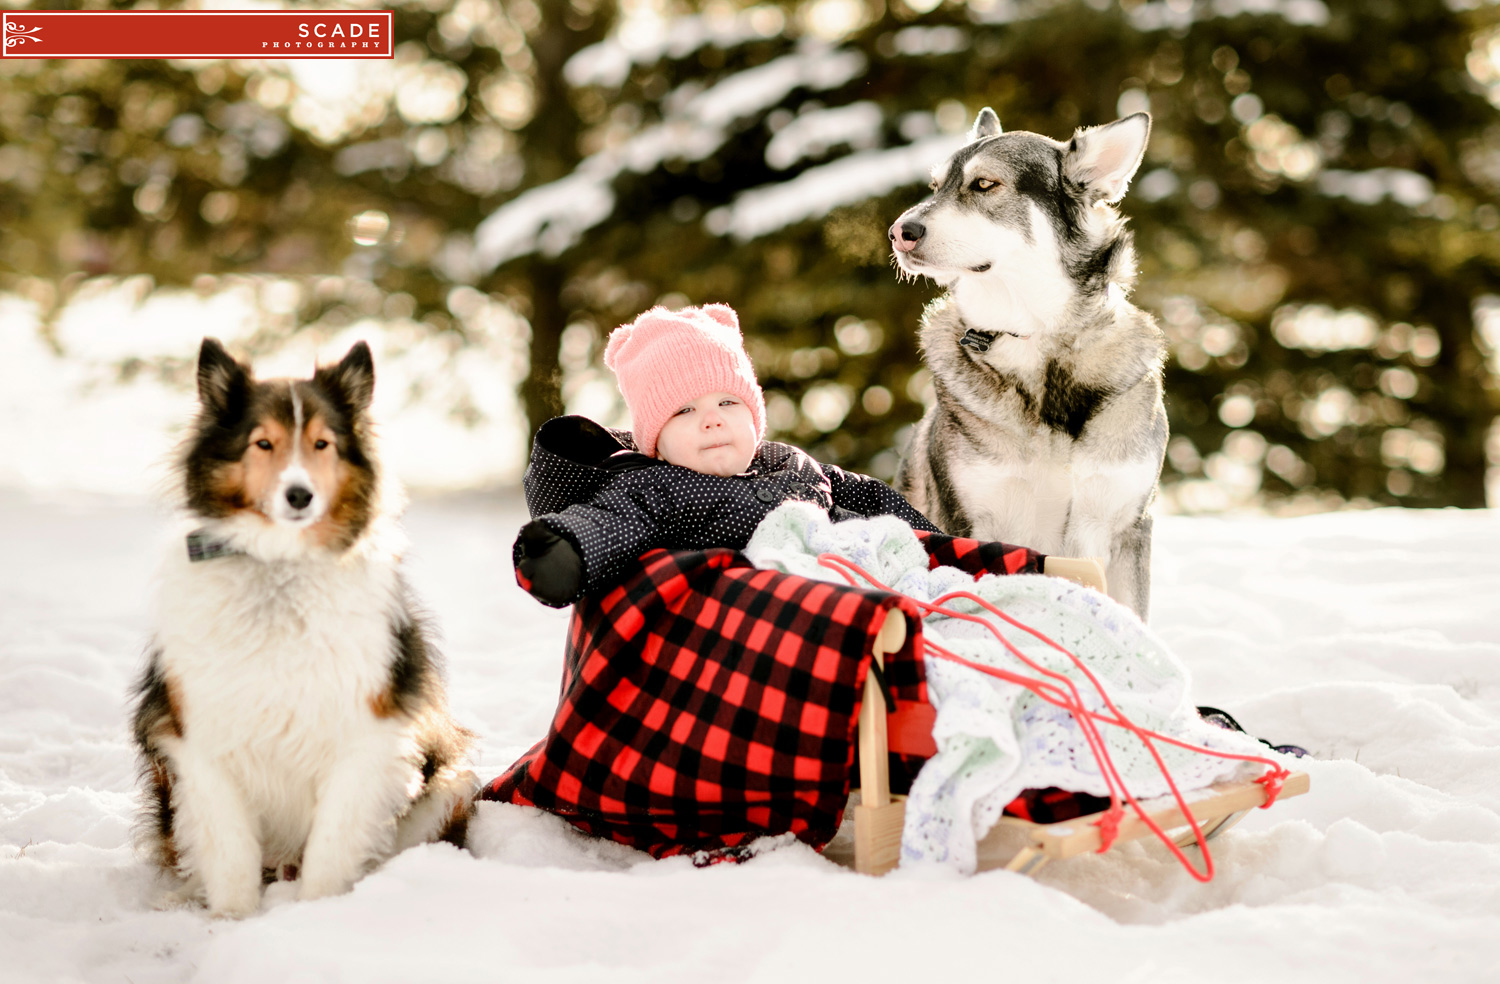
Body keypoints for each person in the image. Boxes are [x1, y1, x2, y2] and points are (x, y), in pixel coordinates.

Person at [513, 303, 1104, 607]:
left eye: (728, 401)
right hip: (788, 616)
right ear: (653, 440)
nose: (712, 417)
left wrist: (936, 549)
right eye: (685, 412)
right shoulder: (654, 487)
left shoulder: (785, 465)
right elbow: (607, 523)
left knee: (994, 598)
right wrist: (561, 553)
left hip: (877, 578)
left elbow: (871, 501)